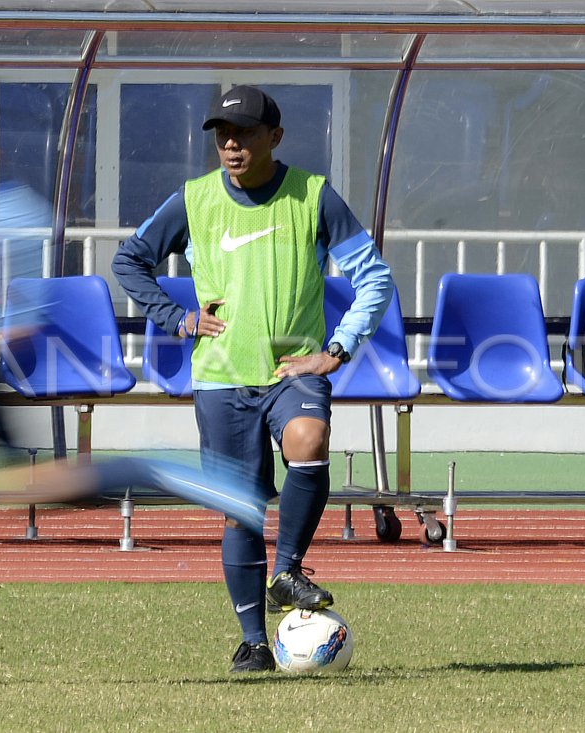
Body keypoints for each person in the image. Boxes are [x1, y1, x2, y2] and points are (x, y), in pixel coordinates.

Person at [113, 85, 394, 672]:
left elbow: (374, 277)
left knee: (310, 440)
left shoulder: (314, 196)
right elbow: (128, 261)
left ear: (277, 138)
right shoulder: (193, 199)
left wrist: (337, 348)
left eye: (243, 134)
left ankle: (287, 570)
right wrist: (177, 317)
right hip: (221, 377)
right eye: (222, 135)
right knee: (240, 508)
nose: (231, 145)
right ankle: (253, 641)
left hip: (294, 366)